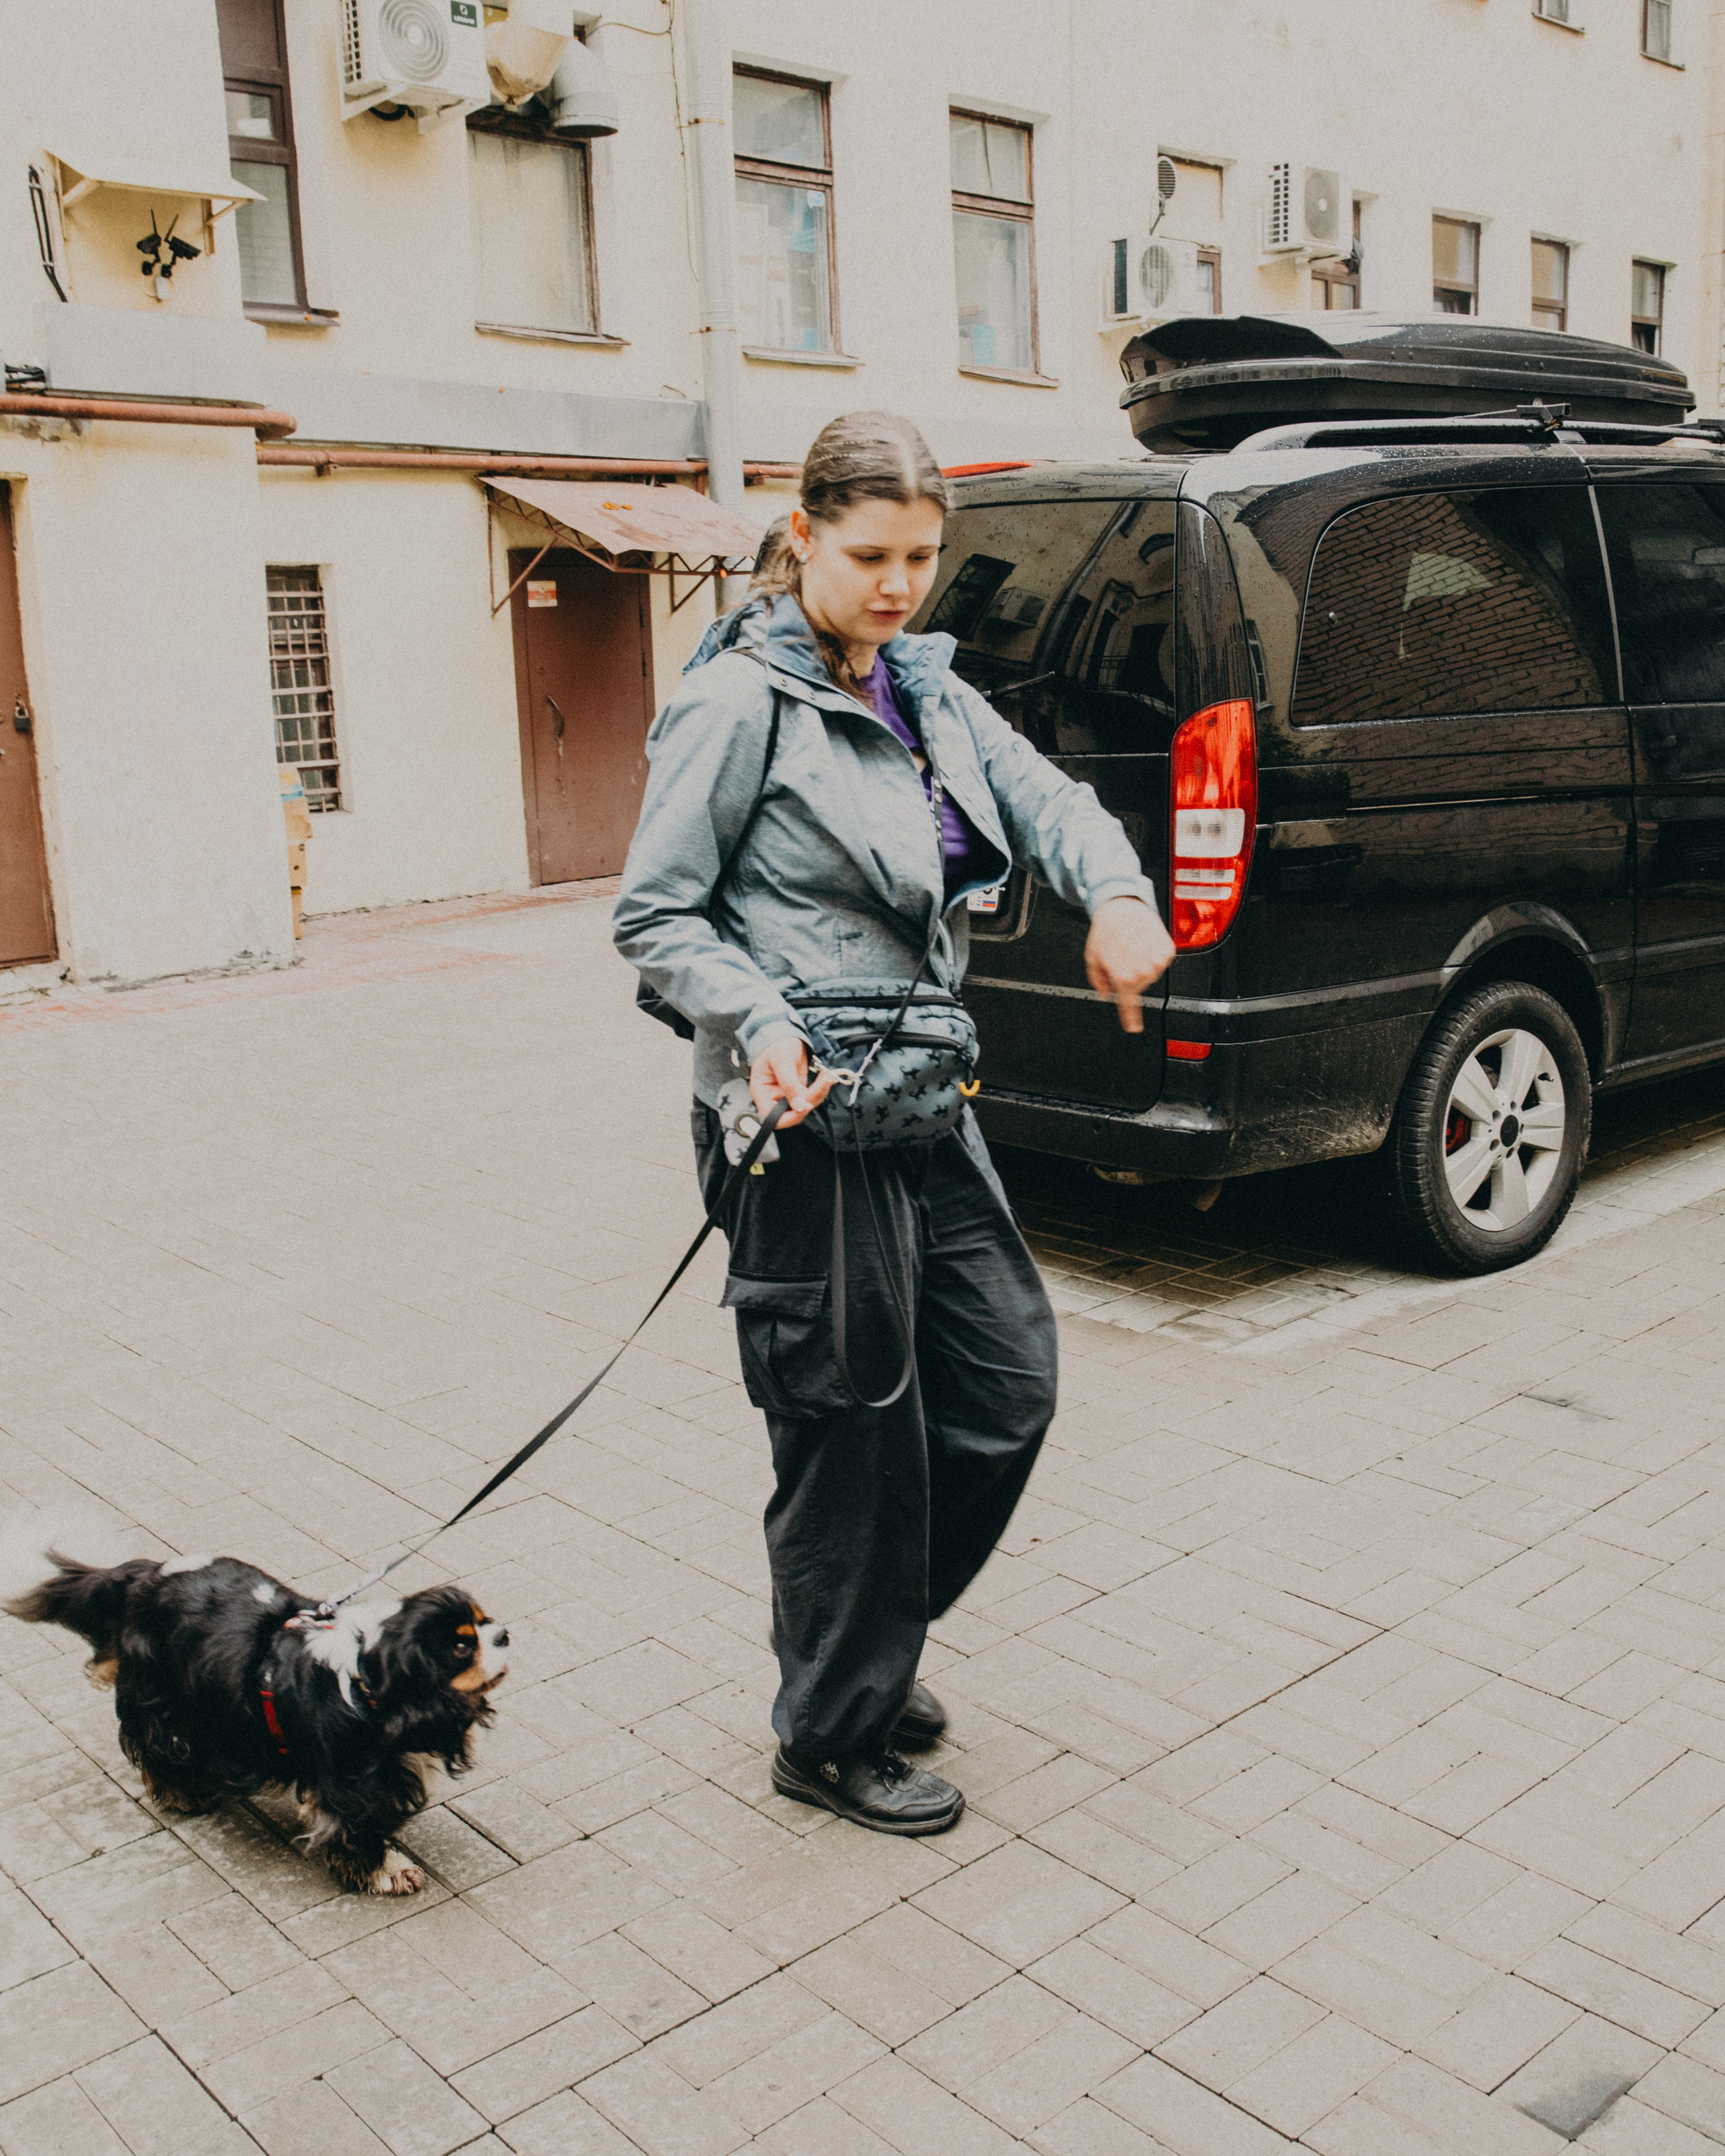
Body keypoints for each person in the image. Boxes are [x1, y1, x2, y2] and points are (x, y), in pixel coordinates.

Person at [614, 411, 1173, 1833]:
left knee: (1005, 1382)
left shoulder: (925, 686)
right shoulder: (737, 702)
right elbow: (656, 917)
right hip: (796, 1119)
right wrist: (761, 1021)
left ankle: (861, 1643)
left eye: (920, 557)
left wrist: (1117, 895)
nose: (899, 584)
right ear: (802, 534)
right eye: (870, 555)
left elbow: (1049, 802)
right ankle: (828, 1731)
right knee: (847, 1431)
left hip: (919, 1097)